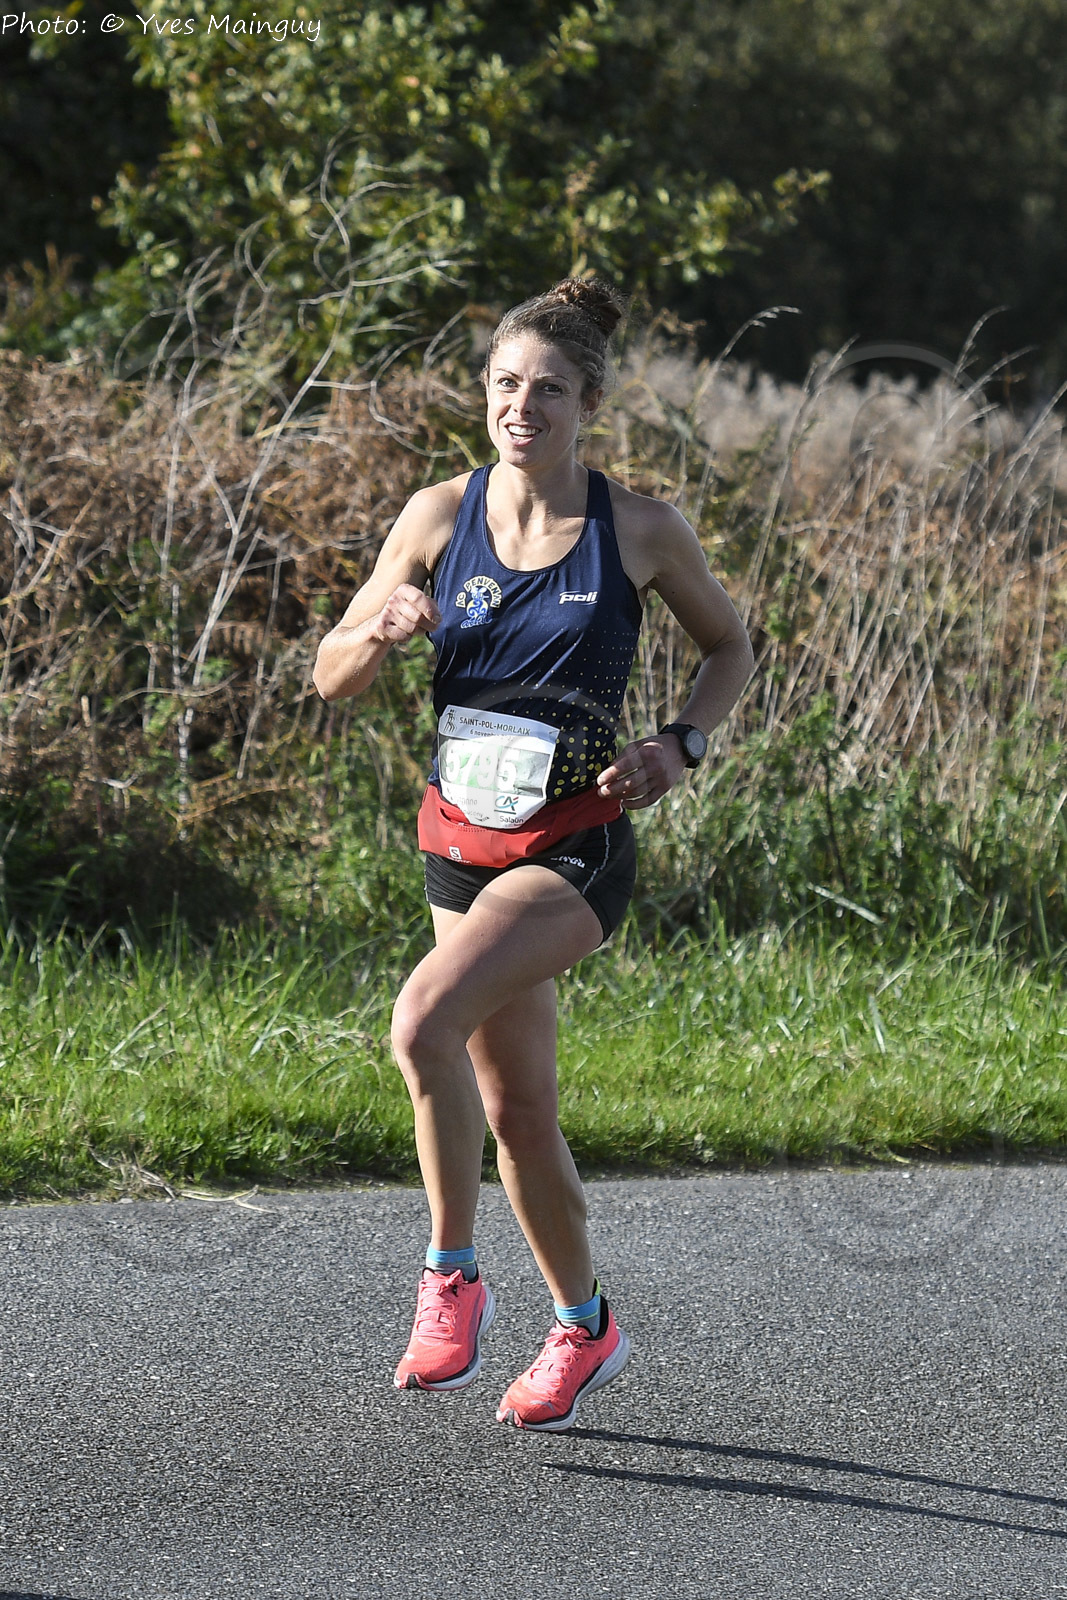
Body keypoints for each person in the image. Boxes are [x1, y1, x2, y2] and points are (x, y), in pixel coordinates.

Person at [313, 278, 754, 1431]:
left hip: (572, 849)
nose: (522, 405)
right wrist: (380, 627)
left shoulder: (638, 529)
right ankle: (584, 1324)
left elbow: (730, 645)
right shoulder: (435, 514)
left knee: (420, 1022)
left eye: (548, 389)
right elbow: (330, 673)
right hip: (457, 845)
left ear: (587, 405)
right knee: (516, 1113)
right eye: (505, 383)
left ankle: (450, 1276)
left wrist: (679, 743)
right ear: (485, 394)